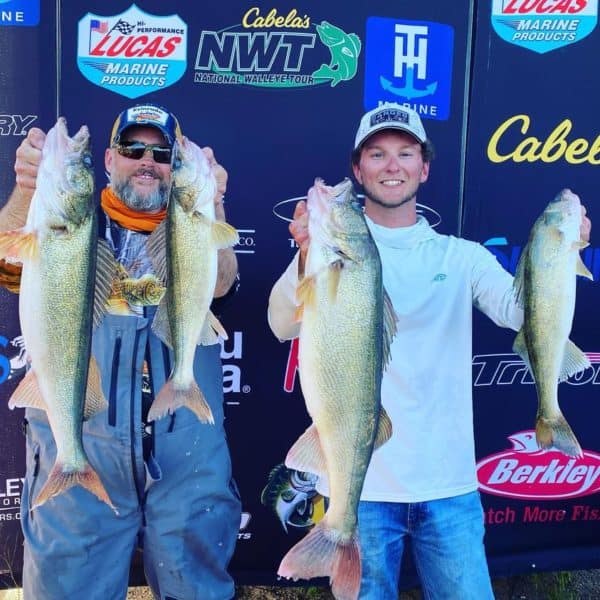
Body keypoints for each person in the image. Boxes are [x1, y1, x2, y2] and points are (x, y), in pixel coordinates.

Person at [267, 102, 592, 599]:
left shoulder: (462, 257)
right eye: (377, 154)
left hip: (449, 488)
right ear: (358, 169)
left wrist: (560, 253)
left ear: (424, 168)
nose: (391, 166)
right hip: (361, 491)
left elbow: (522, 314)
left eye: (405, 153)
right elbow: (279, 323)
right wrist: (307, 254)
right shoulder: (328, 252)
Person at [0, 103, 241, 600]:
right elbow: (7, 263)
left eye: (161, 153)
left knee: (195, 587)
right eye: (133, 149)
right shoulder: (72, 223)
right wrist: (27, 191)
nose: (147, 161)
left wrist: (212, 206)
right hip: (85, 439)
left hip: (187, 454)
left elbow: (220, 284)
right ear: (109, 160)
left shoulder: (191, 228)